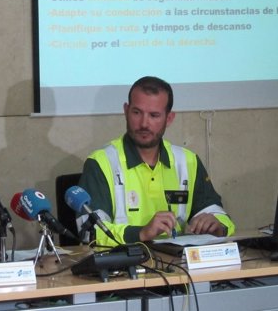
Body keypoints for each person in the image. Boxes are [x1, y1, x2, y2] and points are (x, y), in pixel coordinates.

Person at [79, 76, 235, 245]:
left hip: (177, 266)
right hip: (121, 268)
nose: (144, 123)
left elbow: (217, 213)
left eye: (154, 115)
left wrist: (217, 225)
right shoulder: (101, 163)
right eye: (137, 113)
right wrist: (141, 233)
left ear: (169, 118)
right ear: (126, 111)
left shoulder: (188, 162)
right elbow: (90, 232)